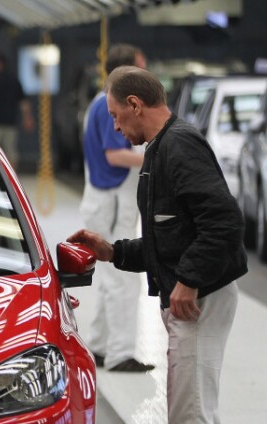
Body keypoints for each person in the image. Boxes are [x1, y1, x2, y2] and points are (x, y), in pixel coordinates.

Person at [68, 66, 247, 424]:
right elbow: (171, 237)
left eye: (116, 116)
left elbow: (224, 221)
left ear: (135, 103)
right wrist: (112, 251)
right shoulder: (160, 151)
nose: (116, 127)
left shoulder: (179, 147)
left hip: (201, 299)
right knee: (193, 420)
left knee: (189, 423)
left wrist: (188, 280)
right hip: (194, 294)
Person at [80, 44, 152, 372]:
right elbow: (114, 155)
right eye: (141, 67)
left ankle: (97, 344)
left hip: (102, 200)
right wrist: (154, 156)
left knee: (110, 277)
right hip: (111, 201)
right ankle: (121, 352)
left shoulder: (98, 103)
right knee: (123, 278)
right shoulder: (107, 108)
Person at [0, 52, 34, 170]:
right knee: (11, 154)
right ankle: (12, 179)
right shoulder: (14, 80)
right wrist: (28, 118)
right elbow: (24, 103)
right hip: (10, 123)